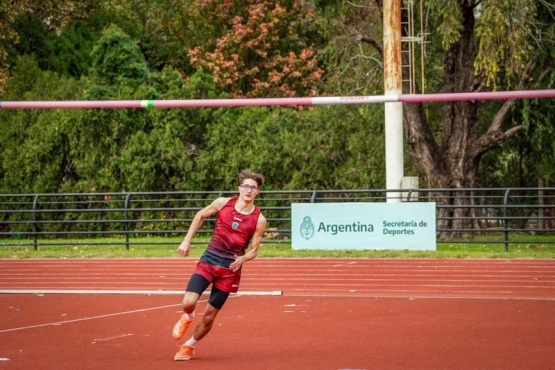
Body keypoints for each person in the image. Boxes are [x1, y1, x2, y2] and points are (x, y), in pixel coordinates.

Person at [172, 169, 267, 361]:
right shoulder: (224, 203)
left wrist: (242, 259)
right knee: (188, 303)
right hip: (209, 260)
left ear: (258, 192)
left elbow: (254, 250)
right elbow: (200, 215)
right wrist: (186, 241)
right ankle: (188, 317)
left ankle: (189, 346)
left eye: (253, 188)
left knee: (209, 316)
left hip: (229, 270)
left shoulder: (259, 219)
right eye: (246, 186)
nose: (249, 190)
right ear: (240, 187)